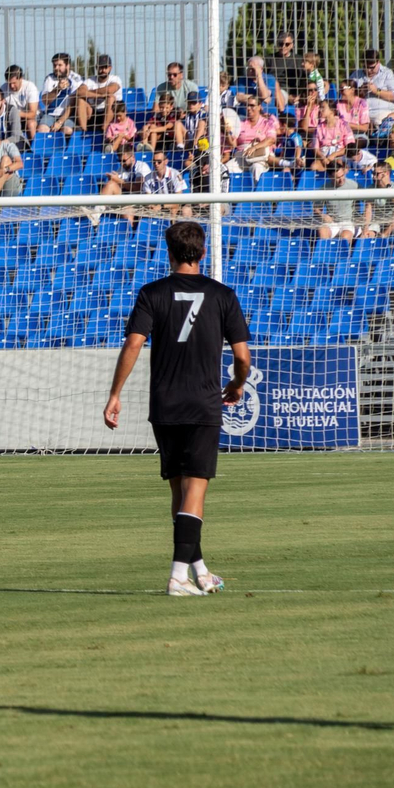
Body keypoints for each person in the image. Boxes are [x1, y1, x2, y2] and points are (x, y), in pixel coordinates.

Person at [103, 220, 250, 597]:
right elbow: (242, 357)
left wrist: (115, 394)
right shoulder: (223, 295)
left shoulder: (151, 292)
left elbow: (133, 345)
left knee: (179, 493)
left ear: (168, 253)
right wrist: (236, 384)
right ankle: (177, 577)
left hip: (164, 403)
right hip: (202, 403)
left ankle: (199, 571)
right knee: (195, 492)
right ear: (202, 252)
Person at [95, 143, 153, 223]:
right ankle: (95, 217)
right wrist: (114, 181)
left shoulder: (142, 167)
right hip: (125, 200)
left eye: (124, 161)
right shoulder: (121, 170)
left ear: (132, 157)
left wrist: (119, 181)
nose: (121, 163)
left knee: (127, 211)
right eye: (119, 161)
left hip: (140, 201)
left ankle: (130, 234)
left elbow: (138, 188)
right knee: (110, 184)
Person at [73, 54, 123, 134]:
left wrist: (89, 92)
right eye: (100, 67)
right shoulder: (90, 80)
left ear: (110, 68)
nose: (103, 70)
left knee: (110, 98)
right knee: (80, 100)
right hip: (93, 112)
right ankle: (83, 131)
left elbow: (109, 90)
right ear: (96, 67)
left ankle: (104, 129)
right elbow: (80, 92)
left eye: (105, 67)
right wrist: (100, 95)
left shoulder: (115, 79)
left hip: (110, 112)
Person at [350, 50, 394, 128]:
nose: (369, 70)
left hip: (381, 114)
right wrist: (358, 94)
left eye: (372, 67)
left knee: (379, 120)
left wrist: (376, 90)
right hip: (359, 115)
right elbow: (346, 96)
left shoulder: (387, 73)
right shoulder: (356, 75)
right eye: (365, 67)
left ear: (378, 62)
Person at [37, 52, 83, 136]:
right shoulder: (49, 78)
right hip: (51, 114)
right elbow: (44, 101)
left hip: (68, 115)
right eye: (54, 65)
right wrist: (57, 89)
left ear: (67, 65)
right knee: (41, 129)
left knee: (66, 130)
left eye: (60, 65)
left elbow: (73, 104)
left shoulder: (76, 79)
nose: (56, 68)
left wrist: (60, 122)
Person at [359, 163, 394, 238]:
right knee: (366, 235)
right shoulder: (371, 188)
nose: (374, 177)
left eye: (377, 174)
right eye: (373, 174)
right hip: (379, 222)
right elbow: (368, 209)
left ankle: (386, 234)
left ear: (386, 174)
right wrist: (365, 229)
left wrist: (387, 186)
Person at [317, 162, 359, 241]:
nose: (341, 180)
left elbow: (367, 202)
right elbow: (316, 208)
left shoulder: (353, 185)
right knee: (322, 230)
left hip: (347, 222)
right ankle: (326, 252)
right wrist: (322, 215)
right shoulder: (324, 188)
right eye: (337, 178)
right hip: (332, 222)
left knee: (345, 238)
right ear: (330, 177)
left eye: (342, 175)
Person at [2, 65, 40, 138]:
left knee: (31, 124)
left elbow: (33, 114)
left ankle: (33, 147)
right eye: (9, 83)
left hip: (30, 118)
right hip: (12, 119)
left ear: (21, 79)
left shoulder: (30, 87)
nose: (12, 86)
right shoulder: (3, 88)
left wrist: (16, 114)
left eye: (14, 83)